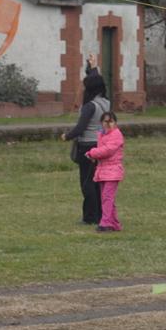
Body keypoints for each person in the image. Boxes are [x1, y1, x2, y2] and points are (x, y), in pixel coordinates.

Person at [62, 57, 111, 226]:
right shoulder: (106, 102)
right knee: (97, 182)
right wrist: (93, 66)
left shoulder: (90, 106)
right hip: (101, 146)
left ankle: (90, 217)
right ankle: (99, 214)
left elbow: (81, 127)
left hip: (88, 148)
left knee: (87, 183)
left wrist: (67, 136)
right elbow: (95, 81)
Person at [85, 111, 125, 232]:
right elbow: (101, 151)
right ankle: (114, 223)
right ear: (101, 123)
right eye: (105, 121)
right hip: (103, 170)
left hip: (113, 171)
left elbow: (107, 150)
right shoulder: (102, 135)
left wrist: (92, 153)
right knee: (106, 198)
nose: (108, 124)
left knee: (107, 197)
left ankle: (105, 223)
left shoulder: (116, 135)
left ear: (115, 123)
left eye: (111, 121)